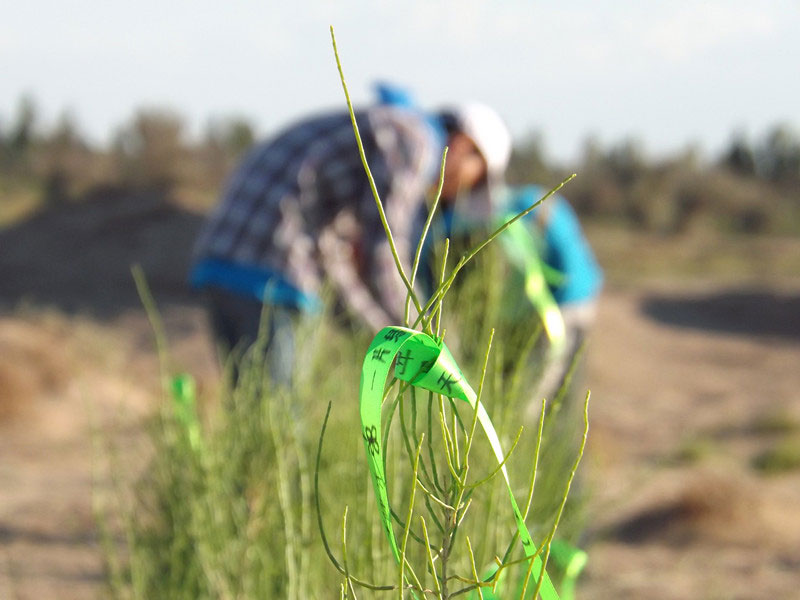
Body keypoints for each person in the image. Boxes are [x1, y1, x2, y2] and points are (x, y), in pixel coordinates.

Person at [189, 87, 512, 384]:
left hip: (229, 254)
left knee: (255, 404)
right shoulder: (416, 142)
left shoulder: (379, 145)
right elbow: (383, 250)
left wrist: (382, 337)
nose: (462, 191)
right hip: (272, 266)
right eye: (475, 177)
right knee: (278, 417)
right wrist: (429, 343)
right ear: (463, 146)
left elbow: (337, 261)